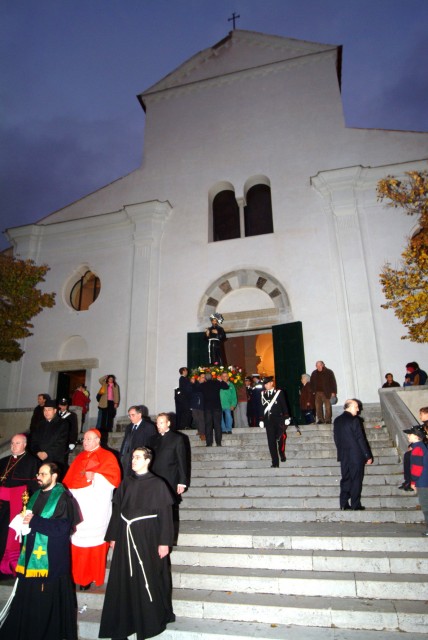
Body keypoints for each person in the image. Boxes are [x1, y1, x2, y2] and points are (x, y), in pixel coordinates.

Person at [99, 447, 175, 640]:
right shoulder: (127, 482)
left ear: (147, 461)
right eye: (132, 457)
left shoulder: (158, 484)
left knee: (148, 576)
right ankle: (123, 623)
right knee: (124, 578)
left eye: (137, 458)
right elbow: (117, 511)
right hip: (125, 536)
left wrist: (164, 542)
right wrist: (114, 535)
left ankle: (150, 620)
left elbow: (166, 516)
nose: (133, 461)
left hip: (148, 537)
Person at [0, 462, 81, 640]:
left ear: (54, 476)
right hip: (30, 559)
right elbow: (28, 519)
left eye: (43, 474)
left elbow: (62, 529)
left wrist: (34, 521)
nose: (39, 477)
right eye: (38, 474)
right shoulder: (35, 495)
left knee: (44, 603)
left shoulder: (64, 498)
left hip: (50, 563)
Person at [63, 429, 121, 590]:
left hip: (96, 508)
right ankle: (77, 576)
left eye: (89, 439)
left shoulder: (108, 456)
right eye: (84, 439)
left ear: (98, 440)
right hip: (79, 507)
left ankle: (92, 576)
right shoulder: (80, 457)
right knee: (77, 542)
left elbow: (113, 481)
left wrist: (96, 477)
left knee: (95, 544)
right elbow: (70, 480)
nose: (85, 442)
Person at [0, 434, 39, 575]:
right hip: (2, 505)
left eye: (17, 443)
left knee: (10, 535)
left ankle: (11, 564)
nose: (13, 446)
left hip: (16, 507)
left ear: (24, 445)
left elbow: (34, 487)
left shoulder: (32, 462)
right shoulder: (4, 461)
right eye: (12, 443)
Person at [150, 413, 189, 542]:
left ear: (168, 423)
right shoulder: (153, 439)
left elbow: (182, 461)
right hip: (155, 480)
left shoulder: (177, 439)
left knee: (169, 510)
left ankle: (168, 539)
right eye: (157, 422)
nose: (158, 425)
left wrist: (182, 482)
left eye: (161, 422)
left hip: (170, 480)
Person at [333, 399, 373, 510]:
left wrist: (341, 451)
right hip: (356, 456)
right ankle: (355, 504)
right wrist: (367, 455)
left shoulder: (337, 420)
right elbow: (360, 439)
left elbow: (336, 439)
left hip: (344, 455)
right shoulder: (355, 420)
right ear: (350, 407)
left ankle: (343, 503)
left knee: (346, 479)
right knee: (356, 480)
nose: (358, 409)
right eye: (356, 407)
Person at [30, 400, 69, 472]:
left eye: (49, 410)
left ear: (55, 410)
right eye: (45, 410)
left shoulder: (62, 423)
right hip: (39, 459)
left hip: (55, 459)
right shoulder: (40, 424)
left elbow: (61, 442)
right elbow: (33, 441)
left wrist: (47, 453)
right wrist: (38, 452)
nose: (46, 412)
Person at [259, 376, 290, 468]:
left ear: (271, 383)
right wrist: (261, 419)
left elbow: (284, 405)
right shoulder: (262, 394)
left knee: (281, 438)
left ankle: (281, 452)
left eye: (267, 383)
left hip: (279, 419)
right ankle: (275, 462)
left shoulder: (279, 393)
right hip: (269, 421)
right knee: (271, 441)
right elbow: (261, 407)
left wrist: (286, 417)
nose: (266, 386)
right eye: (264, 384)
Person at [403, 424, 428, 536]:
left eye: (410, 434)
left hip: (422, 481)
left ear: (416, 436)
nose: (408, 436)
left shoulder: (417, 448)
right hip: (424, 479)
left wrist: (413, 481)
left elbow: (417, 467)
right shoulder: (422, 446)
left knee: (425, 505)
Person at [120, 405, 157, 477]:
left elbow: (151, 445)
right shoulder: (129, 427)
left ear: (139, 415)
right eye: (129, 415)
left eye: (133, 415)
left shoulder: (149, 427)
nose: (131, 417)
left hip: (139, 459)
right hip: (126, 458)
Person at [399, 406, 428, 491]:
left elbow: (421, 438)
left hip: (424, 449)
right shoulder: (422, 426)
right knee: (408, 456)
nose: (420, 416)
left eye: (421, 414)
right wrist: (412, 445)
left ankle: (410, 481)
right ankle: (408, 480)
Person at [198, 372, 229, 447]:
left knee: (208, 425)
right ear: (212, 377)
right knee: (217, 425)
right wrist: (221, 380)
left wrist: (199, 382)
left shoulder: (203, 385)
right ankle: (218, 442)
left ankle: (209, 443)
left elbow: (195, 389)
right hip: (217, 407)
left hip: (207, 408)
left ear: (205, 379)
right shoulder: (217, 383)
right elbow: (226, 386)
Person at [97, 374, 120, 446]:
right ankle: (102, 428)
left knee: (110, 415)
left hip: (111, 402)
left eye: (112, 379)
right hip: (104, 402)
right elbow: (100, 380)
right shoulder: (104, 384)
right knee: (103, 415)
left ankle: (109, 428)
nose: (111, 380)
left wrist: (116, 402)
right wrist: (105, 376)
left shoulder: (116, 386)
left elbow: (117, 395)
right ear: (107, 379)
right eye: (109, 379)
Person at [190, 372, 206, 440]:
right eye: (202, 377)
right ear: (199, 377)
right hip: (194, 404)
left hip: (202, 404)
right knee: (196, 418)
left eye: (204, 377)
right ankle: (200, 430)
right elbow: (192, 391)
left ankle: (202, 434)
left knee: (201, 419)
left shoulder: (205, 385)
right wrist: (192, 383)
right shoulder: (195, 384)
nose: (203, 379)